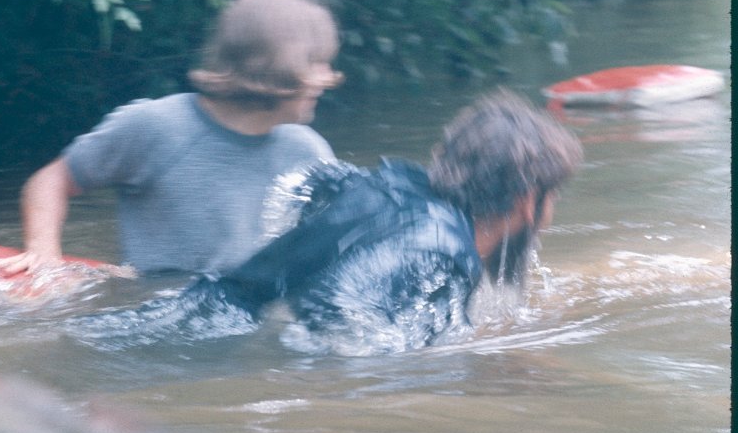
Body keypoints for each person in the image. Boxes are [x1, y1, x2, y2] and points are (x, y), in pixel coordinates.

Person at [68, 90, 583, 354]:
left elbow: (311, 194)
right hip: (205, 348)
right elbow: (354, 343)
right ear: (526, 201)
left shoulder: (392, 186)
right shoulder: (440, 251)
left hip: (198, 309)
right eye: (555, 195)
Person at [0, 0, 344, 276]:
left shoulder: (308, 152)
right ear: (281, 66)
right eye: (319, 64)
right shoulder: (156, 127)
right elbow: (51, 181)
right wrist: (44, 256)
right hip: (154, 313)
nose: (330, 78)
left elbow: (332, 250)